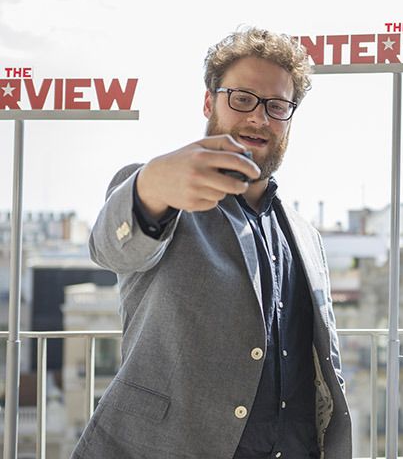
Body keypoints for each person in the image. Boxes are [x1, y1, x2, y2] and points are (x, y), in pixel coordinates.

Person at [72, 27, 351, 459]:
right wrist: (151, 186)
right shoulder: (164, 194)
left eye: (277, 106)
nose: (259, 117)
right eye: (242, 98)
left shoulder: (306, 236)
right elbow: (111, 247)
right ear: (209, 103)